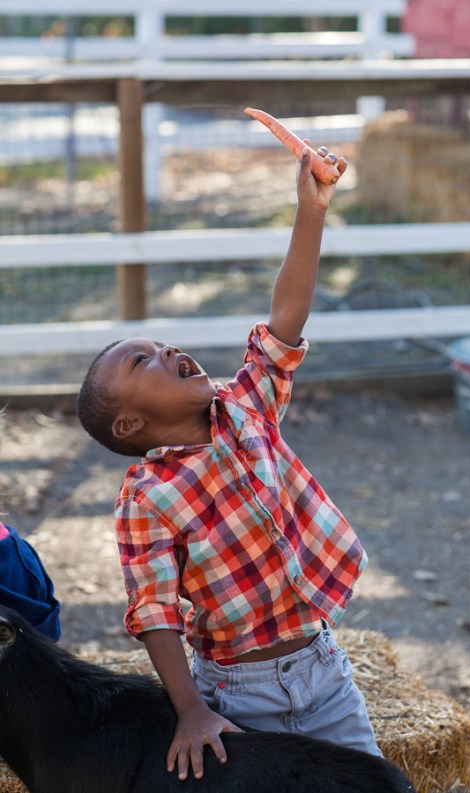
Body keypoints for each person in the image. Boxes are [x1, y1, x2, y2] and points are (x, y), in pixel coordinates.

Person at [77, 144, 380, 781]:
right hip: (239, 695)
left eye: (163, 344)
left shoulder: (246, 405)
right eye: (143, 360)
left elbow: (285, 320)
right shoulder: (147, 495)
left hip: (324, 670)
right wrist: (191, 710)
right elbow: (154, 611)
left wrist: (311, 211)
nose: (168, 351)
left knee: (368, 783)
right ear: (129, 424)